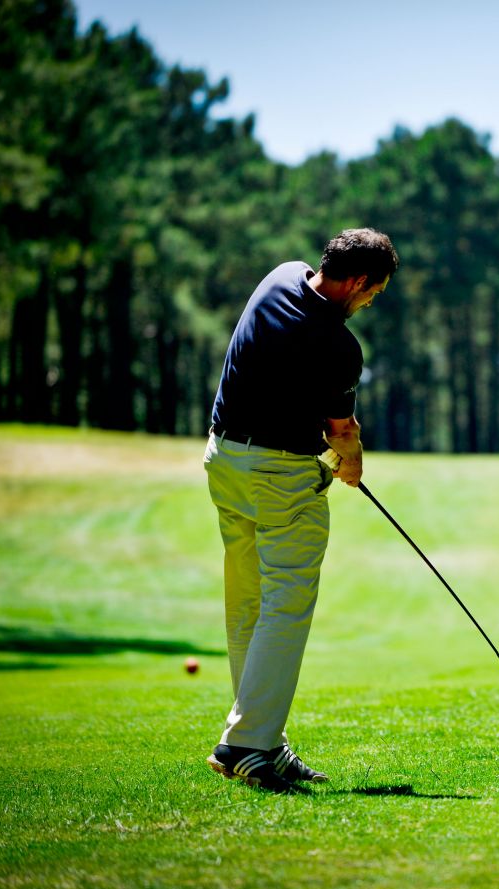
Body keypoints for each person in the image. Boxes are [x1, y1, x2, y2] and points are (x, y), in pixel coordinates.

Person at [202, 227, 398, 792]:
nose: (367, 304)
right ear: (358, 281)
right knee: (285, 606)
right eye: (372, 294)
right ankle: (247, 744)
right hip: (279, 475)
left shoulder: (278, 278)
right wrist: (352, 462)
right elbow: (341, 431)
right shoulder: (338, 346)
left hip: (225, 460)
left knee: (249, 605)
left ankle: (261, 741)